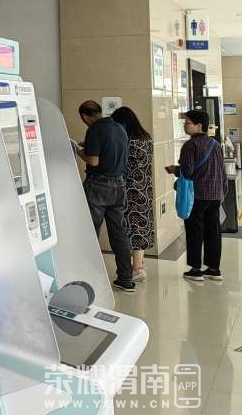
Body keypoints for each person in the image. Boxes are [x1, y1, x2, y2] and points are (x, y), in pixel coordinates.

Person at [75, 100, 135, 292]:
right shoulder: (119, 128)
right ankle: (126, 279)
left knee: (90, 231)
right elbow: (111, 150)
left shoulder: (94, 129)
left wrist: (78, 151)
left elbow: (93, 161)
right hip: (119, 185)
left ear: (84, 116)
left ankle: (87, 277)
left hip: (98, 187)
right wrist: (90, 146)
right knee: (119, 234)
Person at [165, 109, 228, 281]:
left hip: (197, 196)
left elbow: (187, 171)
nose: (184, 126)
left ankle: (195, 270)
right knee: (213, 232)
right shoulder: (215, 144)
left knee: (194, 231)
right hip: (215, 195)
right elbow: (221, 171)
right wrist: (222, 193)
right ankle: (214, 269)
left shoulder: (190, 145)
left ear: (199, 126)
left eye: (187, 123)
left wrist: (174, 169)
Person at [111, 106, 155, 282]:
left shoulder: (130, 142)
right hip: (144, 188)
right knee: (141, 227)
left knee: (133, 228)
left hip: (131, 190)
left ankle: (137, 268)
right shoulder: (146, 138)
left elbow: (123, 165)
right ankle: (140, 264)